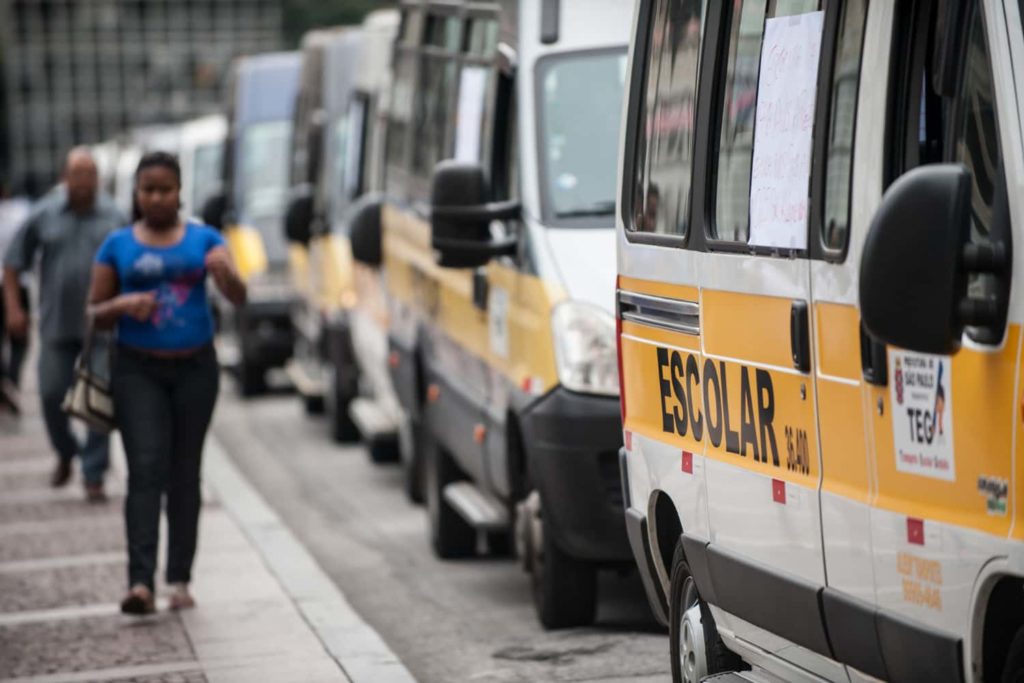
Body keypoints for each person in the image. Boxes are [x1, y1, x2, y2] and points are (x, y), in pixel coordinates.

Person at [87, 151, 246, 615]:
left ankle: (178, 578)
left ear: (180, 191)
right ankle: (140, 583)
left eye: (166, 189)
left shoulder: (206, 239)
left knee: (184, 473)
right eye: (148, 190)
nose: (157, 198)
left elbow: (240, 297)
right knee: (146, 469)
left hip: (195, 369)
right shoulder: (116, 245)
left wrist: (227, 275)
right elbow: (93, 313)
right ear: (136, 194)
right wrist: (121, 306)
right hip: (138, 370)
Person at [3, 149, 127, 499]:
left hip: (102, 327)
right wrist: (14, 309)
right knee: (51, 394)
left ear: (98, 179)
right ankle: (67, 450)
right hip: (56, 325)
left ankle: (93, 474)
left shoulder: (114, 216)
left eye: (90, 174)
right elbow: (13, 263)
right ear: (65, 177)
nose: (84, 182)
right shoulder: (44, 214)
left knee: (99, 401)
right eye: (77, 174)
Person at [0, 185, 31, 412]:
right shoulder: (21, 211)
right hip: (19, 283)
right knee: (20, 339)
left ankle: (5, 381)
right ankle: (10, 379)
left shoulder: (20, 211)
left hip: (14, 281)